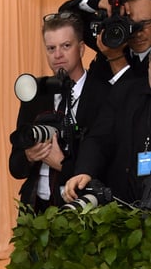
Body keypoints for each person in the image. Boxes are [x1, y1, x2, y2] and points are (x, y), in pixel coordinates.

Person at [9, 13, 110, 211]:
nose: (58, 55)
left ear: (81, 48)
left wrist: (61, 164)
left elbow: (107, 165)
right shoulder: (35, 94)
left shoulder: (102, 95)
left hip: (84, 211)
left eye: (66, 46)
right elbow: (15, 167)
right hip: (36, 211)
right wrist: (29, 155)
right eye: (51, 48)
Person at [63, 56, 151, 205]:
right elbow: (98, 138)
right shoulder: (126, 93)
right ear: (148, 67)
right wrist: (85, 171)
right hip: (124, 208)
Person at [60, 0, 151, 83]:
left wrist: (115, 57)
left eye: (145, 23)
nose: (138, 32)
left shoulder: (111, 51)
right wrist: (100, 1)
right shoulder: (109, 40)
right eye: (130, 24)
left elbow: (134, 96)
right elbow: (66, 14)